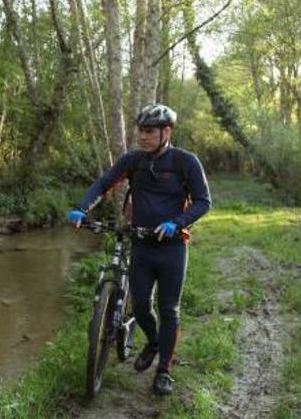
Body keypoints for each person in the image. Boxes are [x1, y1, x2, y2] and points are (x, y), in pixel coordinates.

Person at [67, 104, 211, 395]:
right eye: (141, 131)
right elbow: (104, 183)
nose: (143, 137)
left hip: (171, 248)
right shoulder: (133, 161)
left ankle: (163, 371)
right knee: (143, 306)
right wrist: (82, 207)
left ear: (166, 132)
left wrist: (176, 222)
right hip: (141, 245)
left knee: (169, 309)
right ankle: (154, 341)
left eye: (149, 132)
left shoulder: (186, 162)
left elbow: (203, 201)